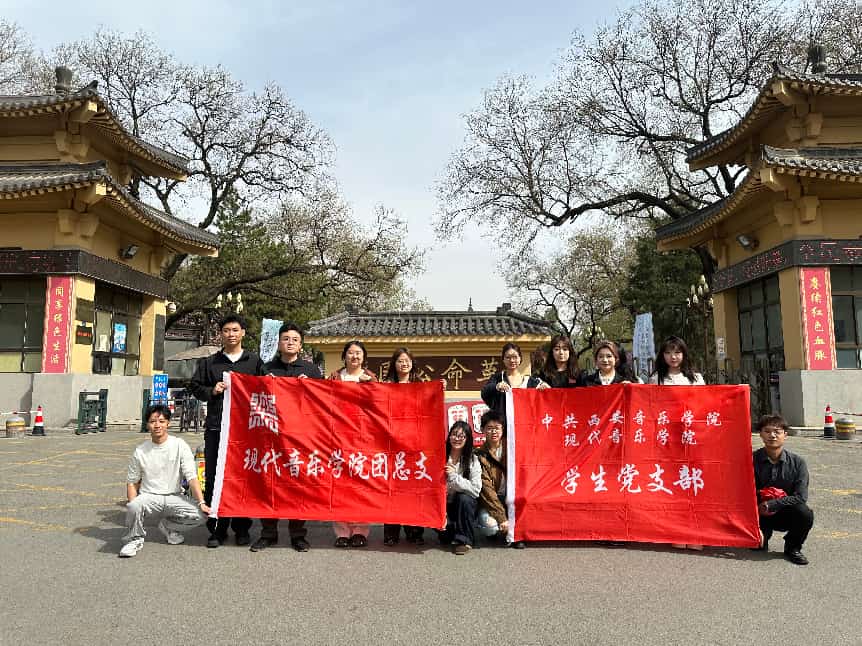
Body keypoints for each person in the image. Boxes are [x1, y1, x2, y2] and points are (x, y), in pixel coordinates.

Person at [190, 314, 264, 548]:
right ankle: (217, 528)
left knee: (242, 477)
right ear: (220, 334)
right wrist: (212, 390)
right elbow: (194, 386)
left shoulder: (254, 362)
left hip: (245, 431)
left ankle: (242, 528)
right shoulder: (210, 363)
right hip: (216, 428)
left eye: (235, 330)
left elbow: (266, 389)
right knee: (214, 477)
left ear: (243, 333)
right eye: (226, 330)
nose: (231, 334)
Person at [250, 323, 323, 554]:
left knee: (297, 486)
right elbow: (252, 398)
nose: (290, 343)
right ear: (279, 343)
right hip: (271, 437)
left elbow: (322, 403)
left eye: (294, 339)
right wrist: (265, 384)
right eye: (286, 339)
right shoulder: (266, 369)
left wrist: (310, 387)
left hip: (300, 438)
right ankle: (268, 534)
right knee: (269, 484)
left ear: (300, 345)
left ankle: (298, 535)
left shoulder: (312, 371)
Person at [119, 404, 209, 558]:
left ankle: (168, 526)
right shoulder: (140, 451)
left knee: (202, 515)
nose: (157, 425)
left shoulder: (179, 445)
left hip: (174, 496)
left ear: (168, 423)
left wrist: (201, 502)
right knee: (133, 505)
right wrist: (134, 507)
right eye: (152, 421)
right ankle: (134, 539)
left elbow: (191, 477)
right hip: (149, 497)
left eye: (161, 421)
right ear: (147, 424)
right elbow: (132, 482)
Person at [649, 336, 704, 550]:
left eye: (677, 352)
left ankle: (696, 532)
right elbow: (650, 407)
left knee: (692, 482)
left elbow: (704, 405)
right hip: (667, 437)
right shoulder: (656, 378)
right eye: (668, 352)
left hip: (690, 436)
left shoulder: (696, 378)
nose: (673, 357)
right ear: (662, 355)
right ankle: (677, 530)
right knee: (673, 482)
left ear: (684, 354)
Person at [328, 339, 377, 547]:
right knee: (340, 485)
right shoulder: (335, 377)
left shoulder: (371, 378)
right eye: (350, 352)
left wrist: (369, 386)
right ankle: (341, 531)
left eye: (358, 353)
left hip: (363, 439)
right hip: (339, 437)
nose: (354, 356)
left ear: (364, 357)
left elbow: (378, 405)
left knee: (360, 485)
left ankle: (360, 530)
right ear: (344, 356)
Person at [752, 414, 813, 565]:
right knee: (757, 546)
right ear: (760, 434)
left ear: (785, 434)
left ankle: (793, 547)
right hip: (758, 513)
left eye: (777, 432)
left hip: (784, 513)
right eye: (767, 431)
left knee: (805, 513)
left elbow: (801, 496)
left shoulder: (798, 463)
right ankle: (762, 535)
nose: (772, 435)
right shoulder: (751, 460)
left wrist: (772, 504)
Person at [383, 347, 428, 547]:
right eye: (400, 361)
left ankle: (414, 530)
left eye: (407, 360)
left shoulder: (421, 385)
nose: (404, 364)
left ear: (412, 363)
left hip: (414, 443)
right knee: (392, 489)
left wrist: (439, 389)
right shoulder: (386, 385)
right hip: (391, 443)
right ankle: (391, 532)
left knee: (413, 488)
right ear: (394, 364)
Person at [475, 410, 525, 548]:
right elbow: (487, 491)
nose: (494, 431)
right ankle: (502, 528)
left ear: (503, 429)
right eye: (489, 428)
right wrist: (501, 518)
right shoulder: (479, 455)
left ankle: (516, 532)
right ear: (482, 430)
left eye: (497, 428)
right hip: (494, 499)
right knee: (490, 527)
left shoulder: (512, 449)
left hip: (513, 498)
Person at [437, 420, 482, 555]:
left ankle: (465, 540)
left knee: (464, 498)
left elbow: (476, 490)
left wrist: (453, 476)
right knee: (446, 538)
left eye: (461, 436)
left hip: (463, 506)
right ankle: (451, 530)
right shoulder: (439, 456)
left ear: (467, 439)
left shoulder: (473, 460)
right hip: (443, 505)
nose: (457, 438)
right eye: (454, 434)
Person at [481, 342, 547, 425]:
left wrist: (545, 389)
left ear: (520, 358)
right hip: (503, 426)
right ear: (503, 359)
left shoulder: (531, 381)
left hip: (525, 425)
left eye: (515, 357)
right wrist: (496, 387)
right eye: (508, 357)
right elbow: (485, 392)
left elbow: (545, 399)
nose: (512, 360)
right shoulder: (498, 378)